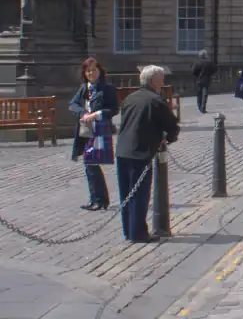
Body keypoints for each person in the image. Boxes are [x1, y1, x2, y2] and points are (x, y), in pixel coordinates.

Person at [116, 65, 180, 243]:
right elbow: (171, 124)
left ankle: (129, 230)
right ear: (153, 81)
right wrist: (170, 138)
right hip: (140, 151)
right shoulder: (156, 100)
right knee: (139, 194)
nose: (164, 81)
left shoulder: (130, 98)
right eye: (161, 78)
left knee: (126, 193)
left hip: (122, 150)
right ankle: (138, 233)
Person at [69, 58, 118, 211]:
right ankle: (97, 199)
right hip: (85, 131)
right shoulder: (84, 88)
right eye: (88, 70)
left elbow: (114, 109)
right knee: (90, 165)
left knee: (92, 164)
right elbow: (73, 104)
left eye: (94, 70)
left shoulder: (107, 88)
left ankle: (99, 199)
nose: (91, 73)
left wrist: (96, 114)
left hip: (100, 130)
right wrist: (83, 112)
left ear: (100, 71)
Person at [191, 49, 216, 114]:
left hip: (199, 80)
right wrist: (209, 74)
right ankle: (203, 108)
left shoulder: (197, 62)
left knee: (199, 94)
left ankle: (200, 107)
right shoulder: (209, 62)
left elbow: (193, 72)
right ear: (205, 55)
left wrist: (197, 75)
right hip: (206, 80)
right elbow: (214, 70)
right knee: (205, 94)